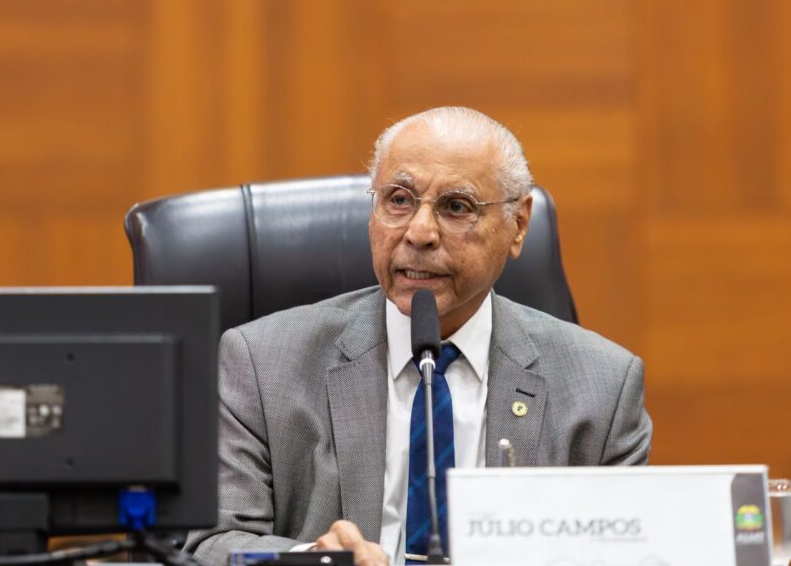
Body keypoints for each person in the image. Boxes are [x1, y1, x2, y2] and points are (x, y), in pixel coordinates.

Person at [185, 107, 652, 566]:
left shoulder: (603, 389)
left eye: (456, 207)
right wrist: (314, 561)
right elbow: (212, 543)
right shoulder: (262, 363)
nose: (420, 232)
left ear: (518, 225)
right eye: (399, 200)